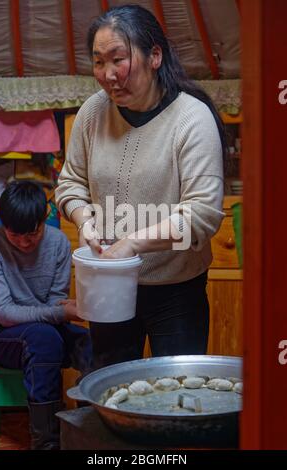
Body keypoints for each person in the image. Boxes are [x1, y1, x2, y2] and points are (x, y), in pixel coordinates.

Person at [55, 5, 225, 370]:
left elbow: (203, 214)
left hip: (176, 291)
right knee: (110, 388)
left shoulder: (191, 119)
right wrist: (85, 221)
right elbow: (70, 182)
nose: (108, 74)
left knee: (177, 393)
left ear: (155, 56)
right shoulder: (92, 113)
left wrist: (132, 243)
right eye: (99, 62)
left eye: (119, 59)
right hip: (108, 286)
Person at [0, 181, 92, 450]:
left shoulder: (58, 243)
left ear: (44, 219)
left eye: (32, 233)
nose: (23, 242)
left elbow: (54, 302)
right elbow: (5, 313)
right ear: (4, 226)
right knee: (44, 338)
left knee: (95, 345)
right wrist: (61, 312)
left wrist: (61, 311)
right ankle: (46, 444)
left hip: (44, 330)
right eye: (14, 235)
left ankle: (90, 433)